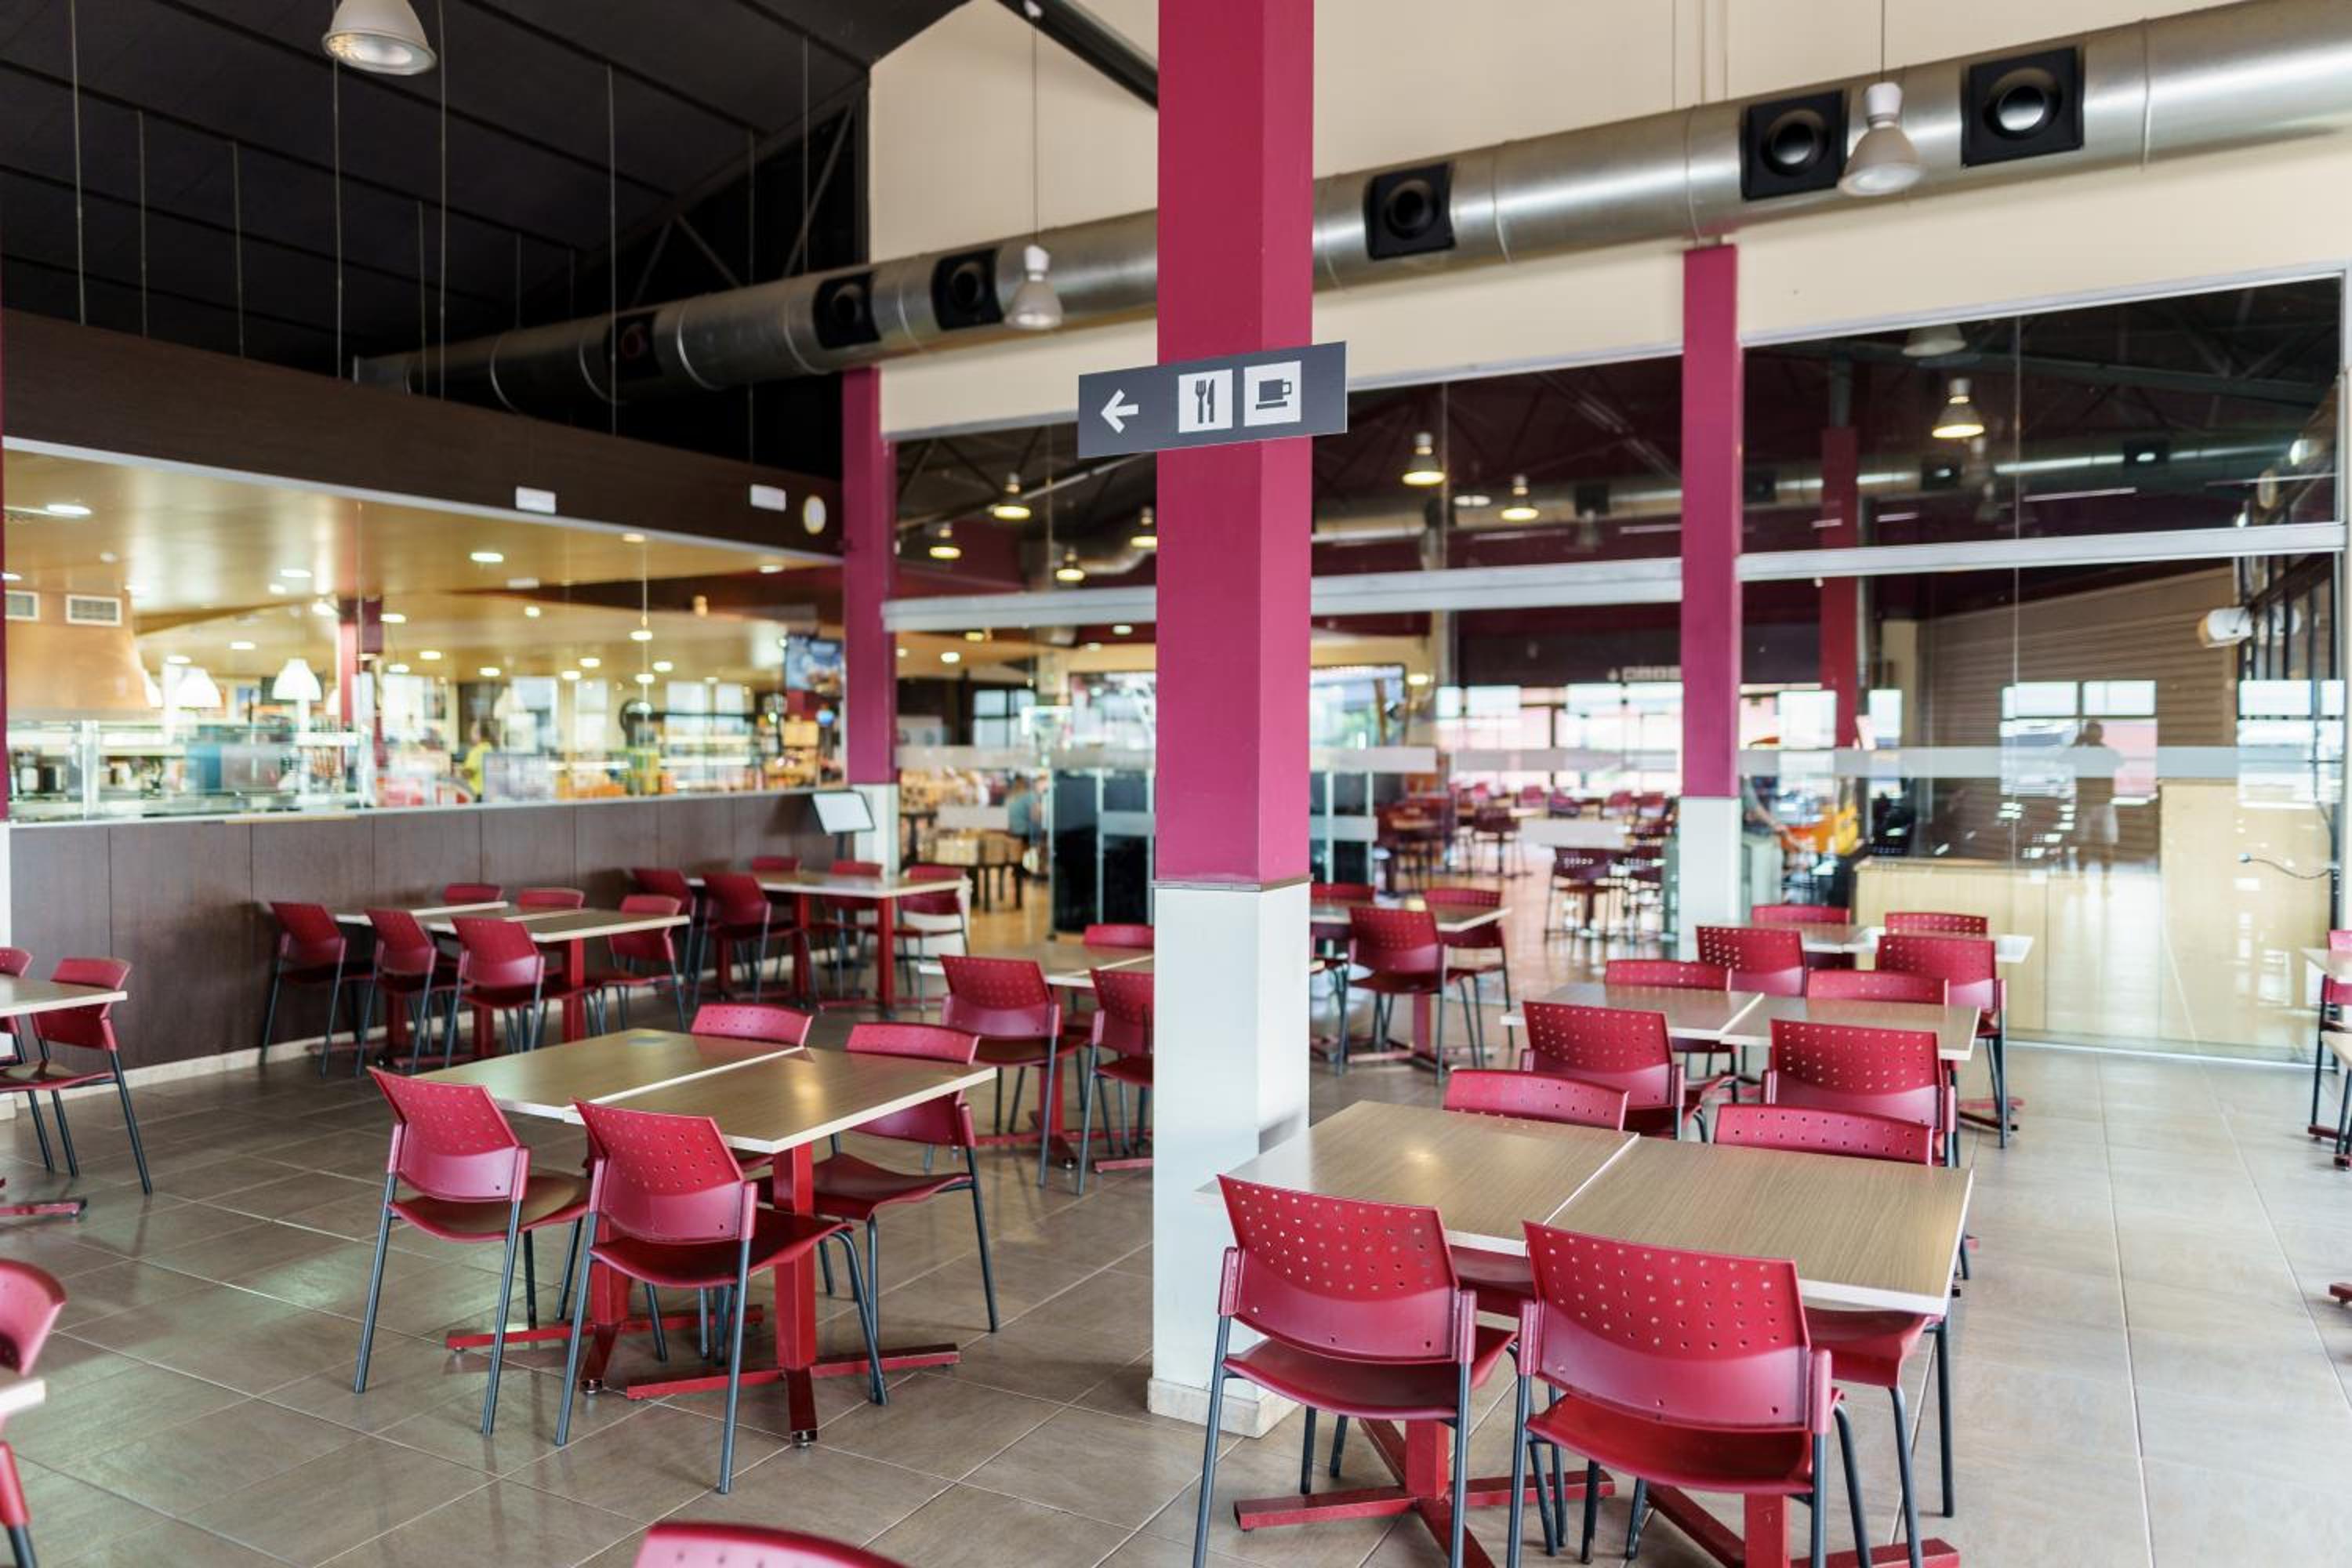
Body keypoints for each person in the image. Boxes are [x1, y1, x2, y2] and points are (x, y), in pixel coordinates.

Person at [2068, 720, 2124, 874]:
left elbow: (2119, 762)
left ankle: (2097, 874)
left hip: (2099, 802)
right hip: (2092, 802)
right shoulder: (2090, 753)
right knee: (2091, 842)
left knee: (2101, 842)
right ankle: (2090, 874)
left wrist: (2077, 745)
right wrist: (2077, 745)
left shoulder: (2097, 753)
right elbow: (2062, 759)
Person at [460, 720, 496, 800]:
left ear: (478, 734)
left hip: (476, 795)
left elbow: (468, 773)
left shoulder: (476, 752)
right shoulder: (490, 748)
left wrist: (460, 772)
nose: (470, 734)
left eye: (472, 731)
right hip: (489, 795)